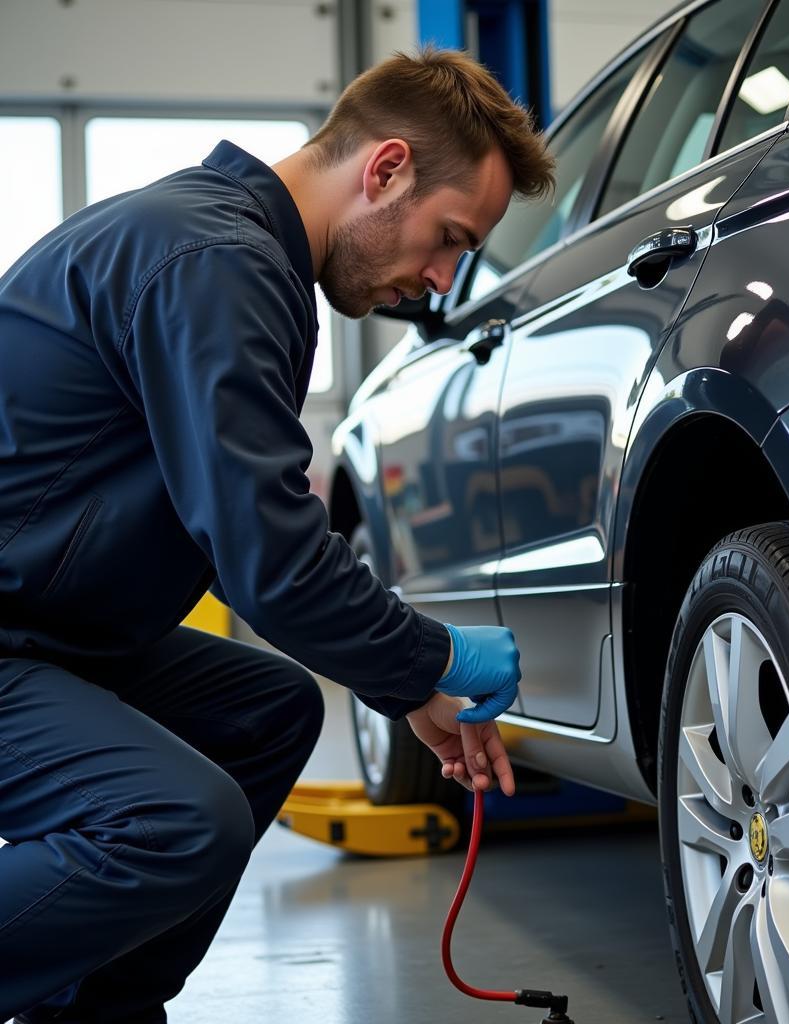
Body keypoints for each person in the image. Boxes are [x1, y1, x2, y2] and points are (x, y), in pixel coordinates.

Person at [0, 47, 555, 1022]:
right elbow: (270, 556)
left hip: (48, 627)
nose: (437, 280)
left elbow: (253, 523)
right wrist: (439, 652)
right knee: (175, 820)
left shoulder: (228, 252)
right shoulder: (216, 261)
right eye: (447, 237)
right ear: (384, 169)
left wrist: (408, 684)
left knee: (267, 708)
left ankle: (93, 1009)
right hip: (16, 634)